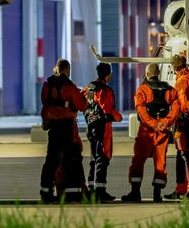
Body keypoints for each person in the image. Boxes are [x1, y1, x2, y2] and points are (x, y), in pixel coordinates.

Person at [121, 63, 180, 202]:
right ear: (158, 73)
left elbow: (140, 109)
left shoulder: (143, 89)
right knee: (160, 163)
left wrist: (154, 124)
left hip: (147, 131)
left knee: (138, 160)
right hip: (163, 131)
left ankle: (135, 193)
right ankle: (157, 194)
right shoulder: (169, 89)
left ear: (147, 74)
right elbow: (176, 108)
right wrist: (165, 123)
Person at [39, 59, 89, 202]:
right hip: (67, 128)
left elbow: (45, 104)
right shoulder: (69, 86)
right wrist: (82, 96)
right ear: (67, 70)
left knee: (51, 161)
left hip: (53, 128)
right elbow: (82, 105)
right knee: (72, 159)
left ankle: (45, 192)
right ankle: (72, 193)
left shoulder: (47, 86)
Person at [83, 62, 122, 202]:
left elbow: (82, 104)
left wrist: (88, 115)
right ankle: (101, 191)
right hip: (103, 129)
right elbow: (108, 110)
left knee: (93, 158)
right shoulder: (105, 91)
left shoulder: (89, 88)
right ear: (107, 74)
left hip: (90, 127)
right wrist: (118, 117)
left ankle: (91, 189)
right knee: (103, 158)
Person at [166, 54, 189, 201]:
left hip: (184, 123)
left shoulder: (181, 81)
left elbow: (184, 103)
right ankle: (184, 189)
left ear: (174, 68)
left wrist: (170, 119)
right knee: (185, 156)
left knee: (185, 156)